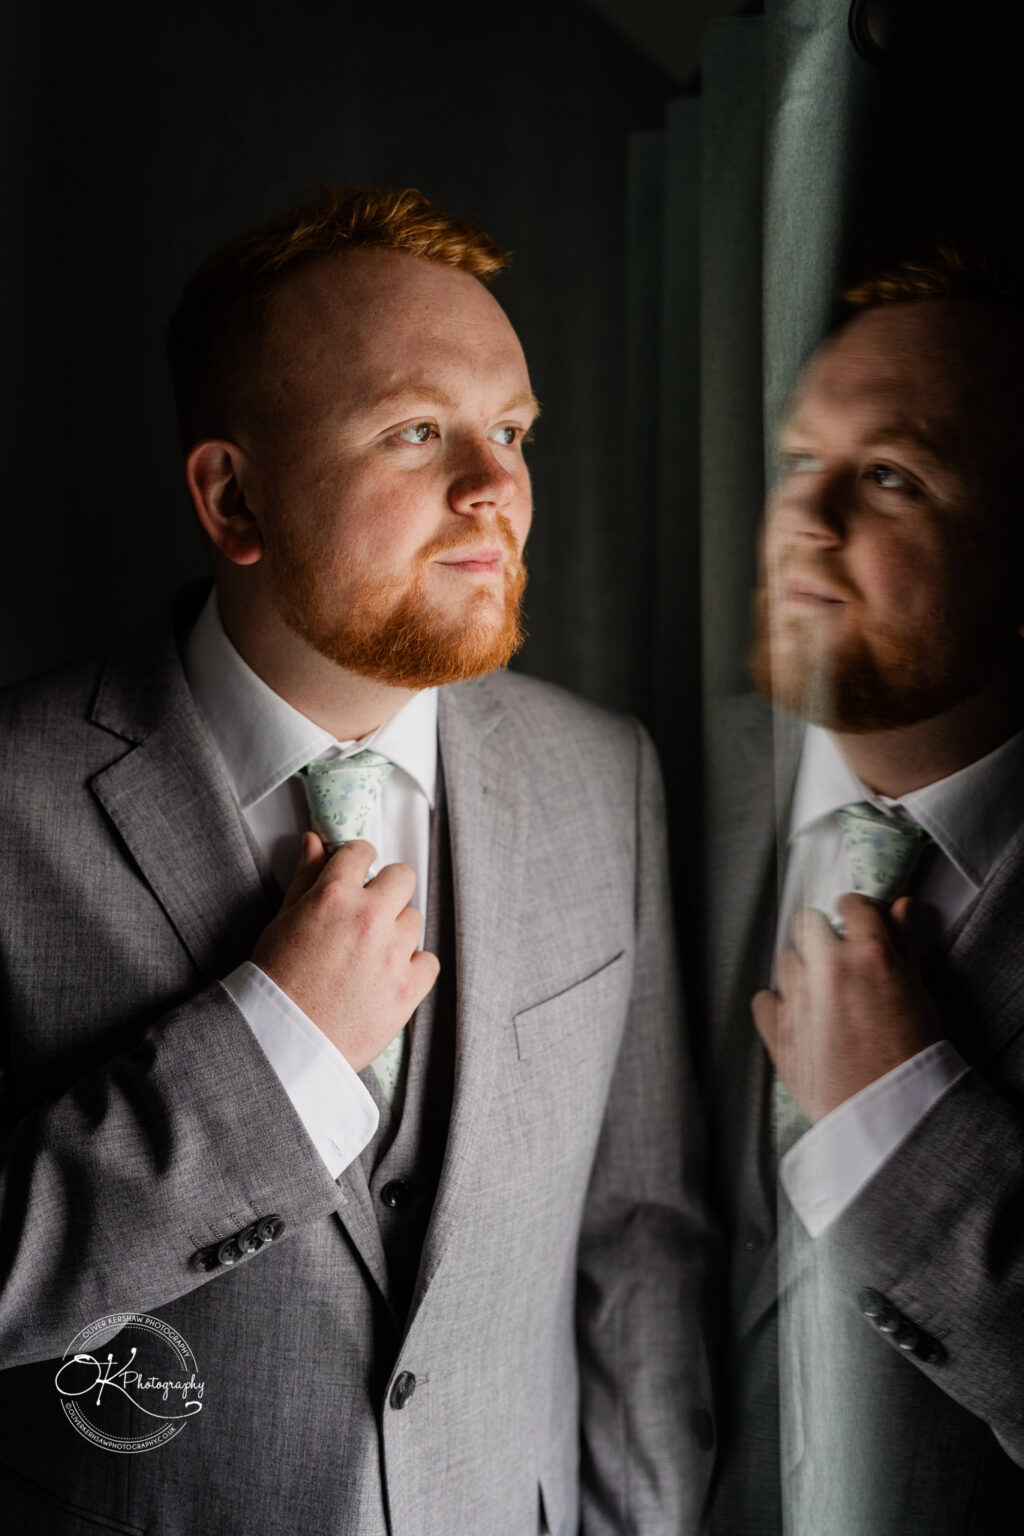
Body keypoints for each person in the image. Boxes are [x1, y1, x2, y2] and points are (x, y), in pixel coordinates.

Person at [0, 186, 713, 1536]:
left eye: (512, 431)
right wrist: (269, 1060)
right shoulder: (13, 793)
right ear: (233, 494)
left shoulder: (601, 776)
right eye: (416, 431)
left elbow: (640, 1241)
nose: (498, 489)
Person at [704, 240, 1024, 1535]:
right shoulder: (660, 787)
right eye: (799, 464)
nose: (805, 521)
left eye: (891, 475)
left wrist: (896, 1123)